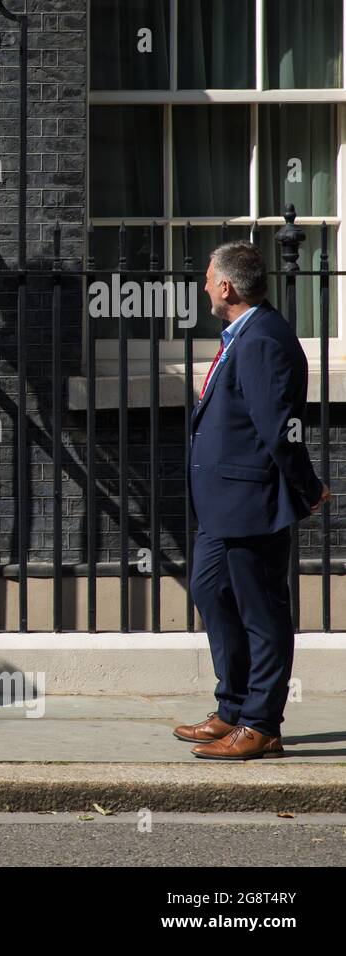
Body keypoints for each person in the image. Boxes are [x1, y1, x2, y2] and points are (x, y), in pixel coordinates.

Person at [177, 241, 329, 760]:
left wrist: (306, 487)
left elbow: (280, 428)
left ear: (226, 286)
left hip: (251, 501)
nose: (202, 287)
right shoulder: (243, 335)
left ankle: (262, 723)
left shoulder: (263, 339)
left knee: (262, 612)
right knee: (211, 592)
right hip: (222, 505)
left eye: (206, 278)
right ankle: (233, 707)